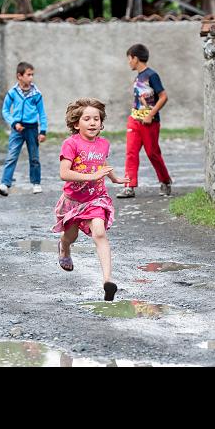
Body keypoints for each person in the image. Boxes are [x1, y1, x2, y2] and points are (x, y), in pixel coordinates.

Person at [53, 99, 129, 301]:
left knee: (100, 233)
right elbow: (64, 173)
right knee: (71, 237)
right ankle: (64, 247)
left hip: (96, 198)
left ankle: (108, 281)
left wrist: (114, 178)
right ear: (77, 123)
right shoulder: (71, 143)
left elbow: (101, 161)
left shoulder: (104, 144)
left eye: (96, 118)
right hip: (73, 201)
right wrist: (91, 177)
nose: (93, 122)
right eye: (87, 119)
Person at [117, 43, 173, 199]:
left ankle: (165, 181)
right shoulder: (137, 77)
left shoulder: (152, 76)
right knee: (131, 153)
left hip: (150, 123)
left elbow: (163, 97)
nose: (128, 62)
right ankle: (129, 186)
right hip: (134, 121)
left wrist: (150, 114)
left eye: (129, 59)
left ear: (135, 58)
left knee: (152, 153)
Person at [0, 61, 48, 196]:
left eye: (32, 75)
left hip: (32, 128)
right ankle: (5, 184)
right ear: (19, 76)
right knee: (11, 156)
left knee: (34, 157)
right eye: (28, 75)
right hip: (17, 129)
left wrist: (43, 131)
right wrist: (13, 123)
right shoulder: (12, 93)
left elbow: (42, 113)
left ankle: (36, 183)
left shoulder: (36, 94)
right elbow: (5, 110)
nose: (31, 78)